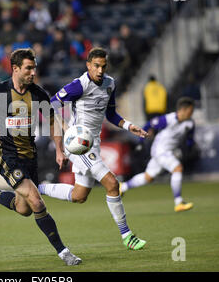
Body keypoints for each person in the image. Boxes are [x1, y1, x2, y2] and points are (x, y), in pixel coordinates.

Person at [0, 48, 82, 265]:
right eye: (28, 68)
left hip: (29, 156)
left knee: (23, 209)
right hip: (6, 155)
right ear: (16, 68)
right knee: (37, 201)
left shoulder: (38, 94)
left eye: (34, 68)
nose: (33, 72)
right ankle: (64, 252)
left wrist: (59, 149)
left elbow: (51, 121)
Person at [38, 47, 148, 251]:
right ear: (88, 65)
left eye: (103, 66)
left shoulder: (110, 84)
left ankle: (38, 188)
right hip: (78, 145)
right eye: (96, 66)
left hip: (93, 143)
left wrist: (128, 125)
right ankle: (127, 235)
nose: (99, 70)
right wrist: (65, 129)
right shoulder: (79, 85)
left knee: (79, 196)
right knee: (112, 184)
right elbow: (50, 104)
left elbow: (111, 114)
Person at [120, 97, 196, 212]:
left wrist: (188, 148)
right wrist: (141, 142)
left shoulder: (190, 123)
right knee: (177, 168)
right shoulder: (169, 119)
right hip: (160, 150)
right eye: (191, 110)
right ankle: (179, 202)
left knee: (148, 177)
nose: (192, 113)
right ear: (183, 109)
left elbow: (190, 138)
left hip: (168, 152)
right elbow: (149, 125)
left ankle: (123, 186)